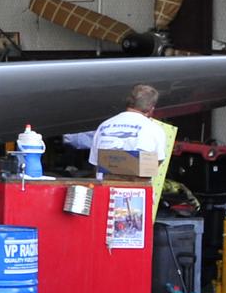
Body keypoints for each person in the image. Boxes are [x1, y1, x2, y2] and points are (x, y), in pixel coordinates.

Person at [69, 83, 178, 217]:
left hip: (106, 196)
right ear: (151, 109)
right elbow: (156, 163)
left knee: (102, 235)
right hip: (137, 200)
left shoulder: (105, 126)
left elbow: (95, 164)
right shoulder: (154, 129)